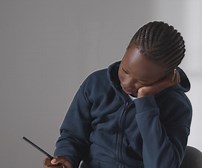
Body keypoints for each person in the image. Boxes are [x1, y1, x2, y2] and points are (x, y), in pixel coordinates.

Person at [44, 21, 192, 168]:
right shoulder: (96, 84)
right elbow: (73, 136)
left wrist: (145, 103)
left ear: (165, 78)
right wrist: (66, 159)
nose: (127, 84)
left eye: (142, 80)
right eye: (125, 70)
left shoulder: (177, 106)